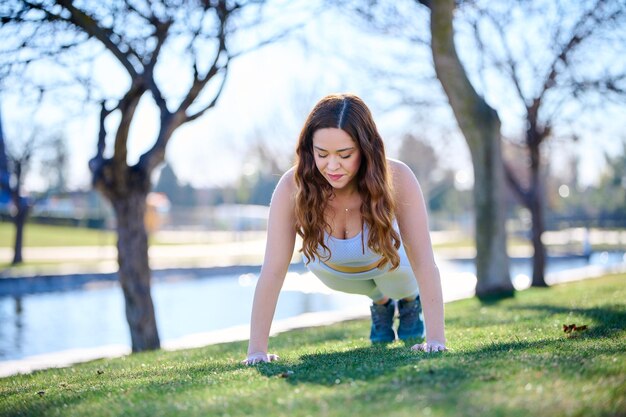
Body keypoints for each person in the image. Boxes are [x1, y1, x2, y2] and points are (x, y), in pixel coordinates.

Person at [242, 93, 447, 365]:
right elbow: (273, 269)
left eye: (345, 154)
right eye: (322, 154)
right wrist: (256, 350)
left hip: (393, 268)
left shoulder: (397, 177)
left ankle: (408, 302)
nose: (332, 165)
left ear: (365, 148)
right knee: (376, 289)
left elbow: (424, 263)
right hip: (333, 271)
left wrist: (435, 340)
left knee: (399, 282)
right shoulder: (292, 186)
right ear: (309, 149)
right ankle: (381, 303)